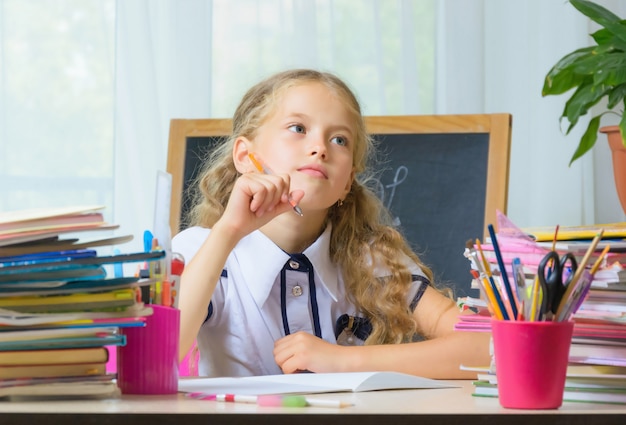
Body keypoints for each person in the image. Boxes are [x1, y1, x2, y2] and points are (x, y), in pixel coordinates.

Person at [172, 68, 491, 379]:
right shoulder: (201, 250)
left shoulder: (374, 261)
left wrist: (341, 361)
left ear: (348, 180)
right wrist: (228, 231)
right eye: (298, 128)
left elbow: (487, 347)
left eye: (339, 139)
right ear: (244, 156)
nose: (320, 148)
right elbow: (163, 353)